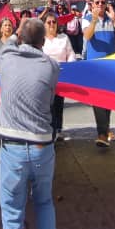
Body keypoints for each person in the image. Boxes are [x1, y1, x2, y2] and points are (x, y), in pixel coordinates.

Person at [0, 17, 60, 229]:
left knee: (12, 215)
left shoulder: (6, 58)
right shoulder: (51, 66)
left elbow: (7, 45)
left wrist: (18, 29)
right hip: (42, 146)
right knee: (44, 203)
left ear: (20, 37)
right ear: (43, 41)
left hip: (12, 147)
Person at [82, 0, 115, 147]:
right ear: (92, 5)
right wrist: (94, 20)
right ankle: (102, 133)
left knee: (108, 98)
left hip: (110, 65)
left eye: (103, 2)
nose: (100, 4)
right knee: (97, 99)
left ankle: (106, 129)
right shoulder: (86, 19)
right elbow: (87, 36)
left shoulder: (111, 19)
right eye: (97, 2)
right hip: (95, 66)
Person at [41, 12, 75, 140]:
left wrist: (70, 67)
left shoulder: (64, 38)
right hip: (44, 76)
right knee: (46, 104)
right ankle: (48, 129)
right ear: (44, 25)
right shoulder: (40, 39)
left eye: (54, 22)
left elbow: (71, 54)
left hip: (61, 75)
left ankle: (58, 129)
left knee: (58, 103)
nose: (51, 25)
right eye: (48, 22)